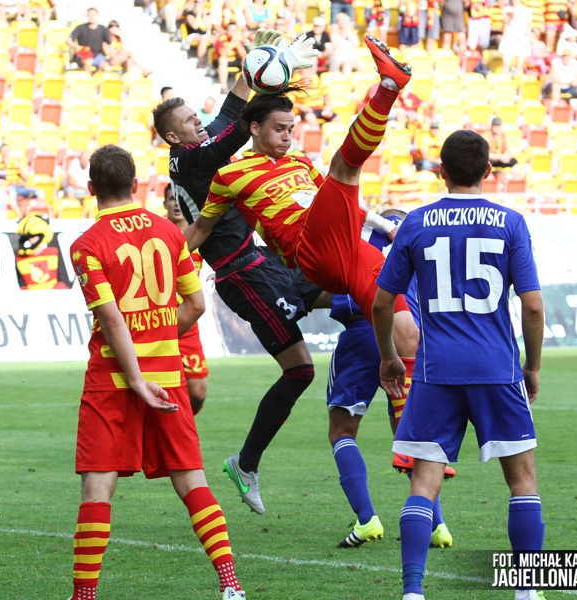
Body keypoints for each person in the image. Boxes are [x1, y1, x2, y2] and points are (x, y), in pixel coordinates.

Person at [153, 29, 324, 515]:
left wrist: (254, 70)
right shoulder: (189, 160)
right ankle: (245, 464)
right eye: (190, 120)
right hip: (243, 276)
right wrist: (262, 74)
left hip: (262, 261)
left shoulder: (198, 149)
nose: (199, 122)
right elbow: (235, 129)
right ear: (173, 136)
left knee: (346, 288)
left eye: (197, 116)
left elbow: (229, 114)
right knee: (301, 371)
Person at [372, 130, 545, 600]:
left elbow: (383, 302)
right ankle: (527, 591)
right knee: (522, 481)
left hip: (436, 371)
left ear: (441, 171)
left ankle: (413, 591)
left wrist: (389, 357)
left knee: (424, 482)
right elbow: (532, 306)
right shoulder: (510, 222)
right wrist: (532, 367)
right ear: (488, 170)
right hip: (497, 368)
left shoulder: (416, 223)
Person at [67, 146, 245, 600]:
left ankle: (84, 595)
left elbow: (111, 320)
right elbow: (196, 305)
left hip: (112, 381)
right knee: (191, 480)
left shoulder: (87, 245)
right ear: (135, 185)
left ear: (91, 188)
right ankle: (230, 584)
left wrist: (134, 377)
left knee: (97, 488)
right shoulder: (169, 233)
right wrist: (161, 339)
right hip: (167, 376)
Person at [184, 35, 407, 328]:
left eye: (290, 129)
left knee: (407, 334)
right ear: (255, 128)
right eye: (279, 129)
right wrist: (166, 260)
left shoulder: (300, 160)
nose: (287, 137)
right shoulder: (231, 175)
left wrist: (387, 226)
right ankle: (388, 89)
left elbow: (338, 206)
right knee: (343, 168)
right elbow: (201, 228)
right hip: (306, 248)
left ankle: (395, 356)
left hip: (344, 247)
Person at [327, 209, 454, 550]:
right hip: (412, 343)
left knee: (341, 430)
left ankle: (367, 518)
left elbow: (346, 300)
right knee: (410, 436)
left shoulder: (360, 245)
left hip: (364, 334)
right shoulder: (417, 245)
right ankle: (437, 525)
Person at [164, 183, 210, 415]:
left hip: (187, 318)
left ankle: (181, 424)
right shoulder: (155, 232)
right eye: (171, 199)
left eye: (178, 199)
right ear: (165, 204)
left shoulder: (200, 234)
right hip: (158, 319)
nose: (175, 204)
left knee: (198, 392)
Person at [67, 7, 112, 73]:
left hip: (97, 56)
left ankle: (98, 79)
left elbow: (109, 44)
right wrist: (79, 47)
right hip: (83, 55)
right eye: (89, 14)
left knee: (107, 68)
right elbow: (68, 40)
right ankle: (89, 78)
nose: (91, 16)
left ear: (97, 15)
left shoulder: (103, 29)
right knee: (88, 61)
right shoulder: (80, 28)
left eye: (93, 14)